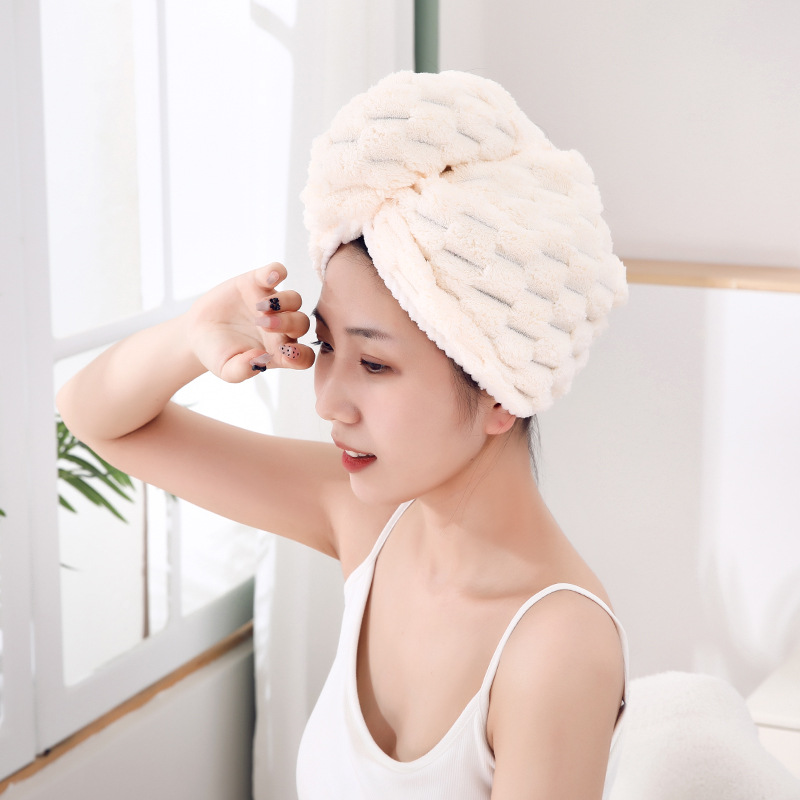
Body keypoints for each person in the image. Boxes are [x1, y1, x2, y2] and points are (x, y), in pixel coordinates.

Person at [58, 71, 629, 799]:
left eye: (376, 364)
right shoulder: (374, 520)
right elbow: (95, 418)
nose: (328, 400)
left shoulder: (556, 649)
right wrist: (195, 332)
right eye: (326, 345)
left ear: (499, 393)